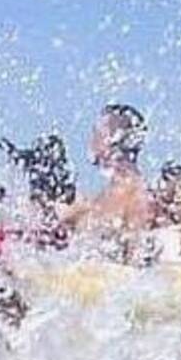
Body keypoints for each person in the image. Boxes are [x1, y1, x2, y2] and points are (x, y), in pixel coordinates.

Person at [62, 103, 156, 260]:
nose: (91, 140)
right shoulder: (105, 194)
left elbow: (137, 262)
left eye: (98, 133)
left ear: (115, 139)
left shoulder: (136, 195)